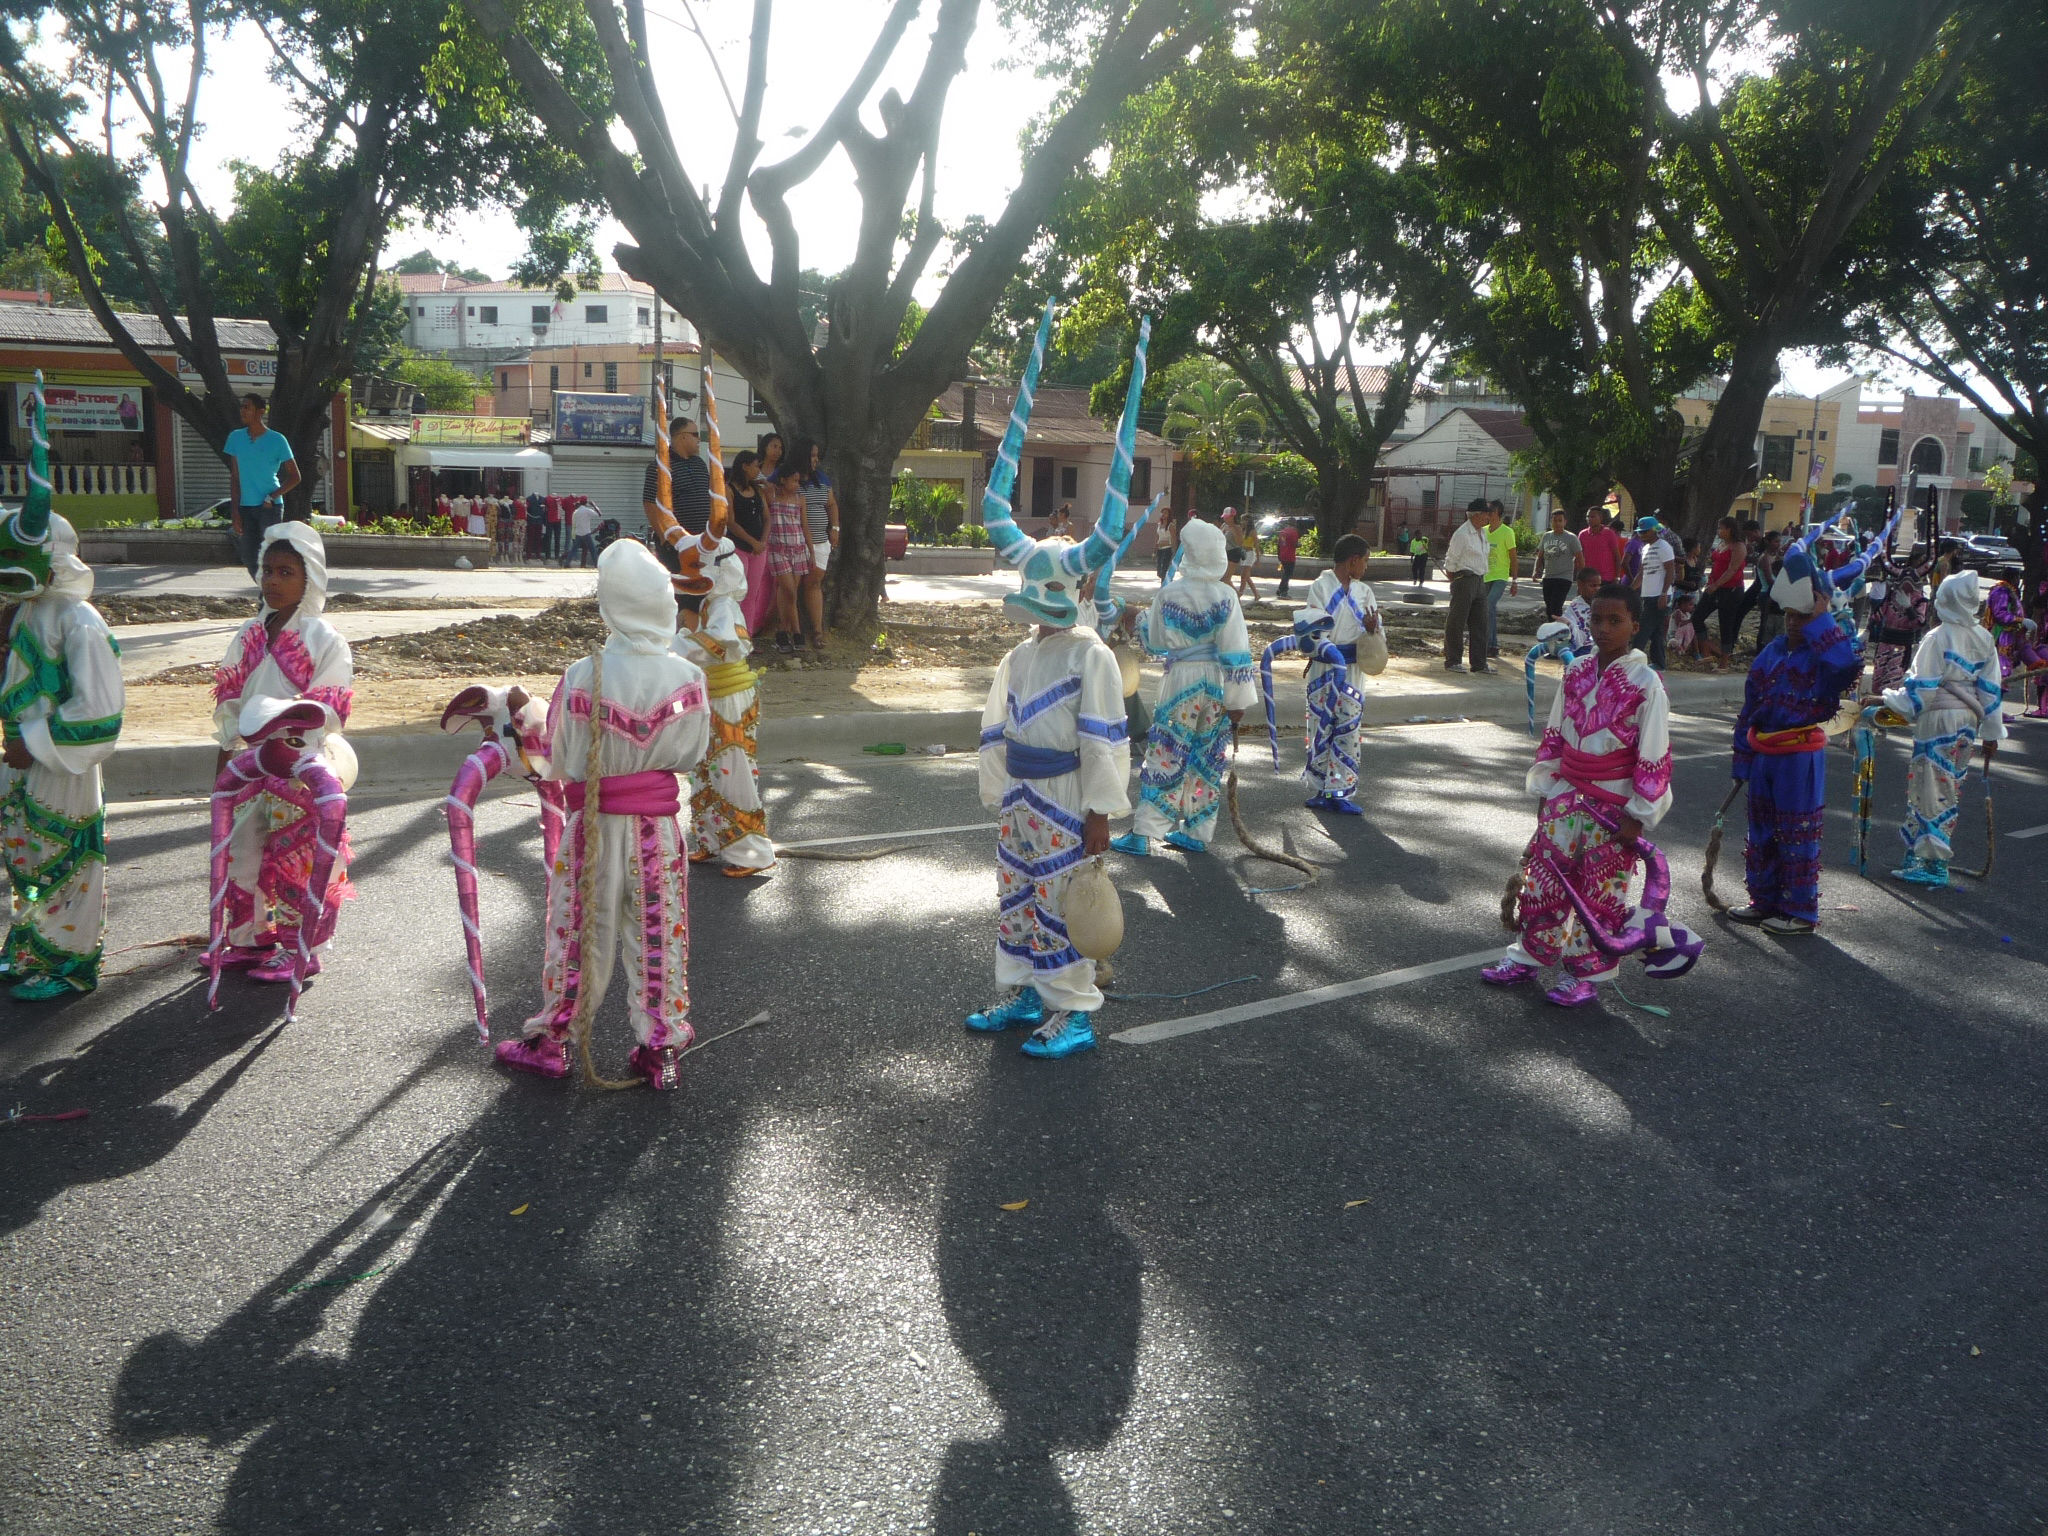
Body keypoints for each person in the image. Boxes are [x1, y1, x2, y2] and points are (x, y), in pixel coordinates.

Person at [496, 541, 712, 1090]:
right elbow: (690, 755)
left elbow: (563, 760)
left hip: (592, 825)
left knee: (579, 932)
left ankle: (554, 1042)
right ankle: (659, 1050)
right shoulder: (688, 676)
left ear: (609, 605)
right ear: (664, 602)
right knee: (657, 931)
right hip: (656, 832)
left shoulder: (582, 674)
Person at [1481, 582, 1673, 1007]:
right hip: (1566, 794)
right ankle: (1528, 956)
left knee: (1600, 891)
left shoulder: (1647, 684)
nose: (1603, 629)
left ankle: (1586, 974)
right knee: (1545, 881)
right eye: (1597, 620)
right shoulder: (1578, 671)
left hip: (1613, 804)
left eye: (1615, 621)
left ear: (1634, 626)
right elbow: (1556, 733)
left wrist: (1638, 813)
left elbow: (1654, 750)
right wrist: (1547, 787)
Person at [0, 393, 124, 1000]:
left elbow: (100, 713)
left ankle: (66, 962)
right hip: (22, 760)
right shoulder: (25, 615)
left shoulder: (80, 621)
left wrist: (32, 744)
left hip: (60, 764)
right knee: (26, 856)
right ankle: (28, 947)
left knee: (67, 860)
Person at [210, 522, 356, 982]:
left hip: (298, 767)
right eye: (267, 571)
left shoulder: (323, 638)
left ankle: (301, 948)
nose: (272, 581)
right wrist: (226, 748)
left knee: (297, 857)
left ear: (309, 577)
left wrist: (290, 744)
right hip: (249, 765)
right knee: (243, 850)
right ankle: (251, 938)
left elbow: (329, 705)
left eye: (286, 572)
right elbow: (231, 698)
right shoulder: (250, 633)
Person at [1727, 525, 1868, 937]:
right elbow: (1750, 707)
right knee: (1763, 832)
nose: (1793, 622)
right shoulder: (1771, 652)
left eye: (1802, 616)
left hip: (1799, 758)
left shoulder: (1826, 654)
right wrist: (1742, 757)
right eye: (1789, 615)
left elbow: (1845, 666)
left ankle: (1801, 911)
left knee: (1796, 832)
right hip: (1764, 756)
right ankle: (1764, 900)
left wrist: (1822, 620)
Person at [1110, 519, 1253, 857]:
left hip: (1180, 681)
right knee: (1206, 755)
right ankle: (1197, 832)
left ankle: (1145, 832)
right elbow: (1237, 651)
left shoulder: (1171, 592)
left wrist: (1133, 616)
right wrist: (1238, 701)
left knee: (1168, 752)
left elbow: (1156, 641)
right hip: (1216, 683)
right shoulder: (1227, 595)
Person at [1876, 568, 2004, 888]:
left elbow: (1921, 690)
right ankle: (1924, 856)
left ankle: (1931, 863)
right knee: (1950, 788)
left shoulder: (1938, 637)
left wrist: (1891, 699)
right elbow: (1990, 691)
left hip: (1939, 720)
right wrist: (1991, 733)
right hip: (1967, 724)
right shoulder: (1984, 637)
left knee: (1929, 786)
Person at [673, 536, 775, 877]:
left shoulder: (724, 606)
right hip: (712, 694)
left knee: (732, 769)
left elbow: (722, 645)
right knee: (705, 769)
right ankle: (712, 839)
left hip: (732, 696)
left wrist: (679, 644)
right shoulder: (708, 604)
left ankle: (753, 852)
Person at [1288, 533, 1381, 814]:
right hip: (1324, 669)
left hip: (1352, 672)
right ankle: (1320, 788)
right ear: (1352, 561)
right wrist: (1328, 650)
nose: (1365, 567)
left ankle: (1339, 792)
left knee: (1348, 728)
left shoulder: (1365, 592)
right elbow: (1311, 629)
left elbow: (1376, 630)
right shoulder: (1321, 587)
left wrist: (1371, 628)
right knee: (1321, 726)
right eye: (1364, 561)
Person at [223, 393, 301, 581]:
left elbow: (295, 477)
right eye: (242, 406)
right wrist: (235, 512)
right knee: (249, 556)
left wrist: (272, 497)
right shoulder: (235, 438)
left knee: (269, 555)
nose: (242, 410)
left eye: (247, 407)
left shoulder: (277, 439)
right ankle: (265, 593)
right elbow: (235, 477)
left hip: (269, 508)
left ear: (261, 411)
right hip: (246, 508)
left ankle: (271, 596)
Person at [1866, 543, 1933, 694]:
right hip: (1885, 641)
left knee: (1892, 681)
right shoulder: (1892, 596)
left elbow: (1920, 623)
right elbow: (1878, 614)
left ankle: (1886, 710)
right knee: (1877, 678)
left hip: (1902, 645)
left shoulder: (1920, 600)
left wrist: (1909, 608)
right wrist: (1867, 632)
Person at [793, 438, 839, 651]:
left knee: (814, 583)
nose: (815, 460)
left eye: (816, 455)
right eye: (812, 455)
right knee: (790, 587)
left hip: (820, 540)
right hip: (794, 540)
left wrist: (835, 528)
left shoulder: (821, 478)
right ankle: (791, 631)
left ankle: (817, 631)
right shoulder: (789, 477)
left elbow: (831, 505)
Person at [761, 459, 809, 654]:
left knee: (787, 592)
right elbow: (762, 483)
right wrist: (772, 483)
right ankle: (797, 632)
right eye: (793, 480)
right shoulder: (771, 495)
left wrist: (811, 550)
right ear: (783, 480)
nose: (796, 485)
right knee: (790, 591)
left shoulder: (799, 499)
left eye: (798, 481)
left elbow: (804, 525)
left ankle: (782, 632)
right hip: (778, 549)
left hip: (798, 548)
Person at [724, 450, 774, 635]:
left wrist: (762, 542)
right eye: (755, 466)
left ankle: (748, 636)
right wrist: (752, 542)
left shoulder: (758, 490)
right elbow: (731, 522)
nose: (758, 470)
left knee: (752, 595)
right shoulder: (729, 489)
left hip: (758, 549)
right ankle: (732, 634)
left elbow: (767, 518)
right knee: (736, 593)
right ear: (744, 466)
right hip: (738, 547)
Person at [1443, 498, 1492, 673]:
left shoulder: (1482, 533)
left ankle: (1479, 663)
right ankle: (1453, 660)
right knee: (1457, 621)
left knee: (1481, 623)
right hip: (1464, 579)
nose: (1488, 517)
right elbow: (1451, 560)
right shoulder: (1462, 534)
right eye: (1486, 513)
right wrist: (1456, 580)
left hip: (1479, 579)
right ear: (1477, 515)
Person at [1692, 516, 1747, 669]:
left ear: (1729, 529)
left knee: (1726, 624)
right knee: (1697, 617)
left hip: (1731, 589)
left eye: (1721, 528)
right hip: (1714, 587)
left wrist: (1717, 584)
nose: (1718, 531)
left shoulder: (1739, 546)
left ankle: (1724, 662)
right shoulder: (1722, 544)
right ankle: (1706, 652)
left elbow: (1733, 569)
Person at [1633, 515, 1677, 669]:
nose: (1642, 535)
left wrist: (1664, 593)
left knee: (1642, 629)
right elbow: (1641, 573)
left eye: (1645, 532)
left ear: (1654, 530)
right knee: (1656, 631)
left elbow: (1670, 571)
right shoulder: (1645, 548)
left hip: (1659, 596)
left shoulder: (1664, 546)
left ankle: (1633, 661)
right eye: (1640, 532)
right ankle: (1659, 662)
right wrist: (1630, 591)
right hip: (1647, 595)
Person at [1483, 502, 1518, 658]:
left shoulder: (1507, 532)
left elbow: (1513, 557)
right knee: (1489, 609)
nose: (1488, 513)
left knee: (1489, 604)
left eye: (1491, 510)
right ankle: (1493, 644)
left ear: (1499, 512)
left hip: (1500, 576)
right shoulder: (1483, 531)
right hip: (1485, 576)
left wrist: (1514, 581)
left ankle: (1488, 643)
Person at [1535, 509, 1582, 618]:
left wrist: (1581, 577)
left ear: (1565, 522)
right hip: (1548, 576)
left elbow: (1580, 558)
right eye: (1554, 520)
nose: (1557, 523)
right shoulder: (1546, 536)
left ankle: (1559, 631)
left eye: (1560, 520)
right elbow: (1540, 555)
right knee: (1549, 607)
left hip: (1564, 577)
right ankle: (1553, 630)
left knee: (1556, 606)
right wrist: (1536, 571)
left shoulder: (1571, 538)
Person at [1578, 504, 1624, 584]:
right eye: (1588, 517)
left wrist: (1617, 577)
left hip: (1607, 578)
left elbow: (1617, 556)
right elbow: (1579, 557)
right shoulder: (1582, 534)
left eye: (1593, 517)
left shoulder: (1609, 533)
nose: (1589, 519)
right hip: (1588, 578)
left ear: (1600, 518)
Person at [1561, 566, 1601, 652]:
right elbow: (1568, 622)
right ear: (1580, 584)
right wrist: (1567, 624)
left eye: (1599, 585)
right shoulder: (1574, 607)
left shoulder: (1603, 605)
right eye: (1593, 586)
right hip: (1581, 650)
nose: (1597, 589)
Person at [567, 497, 600, 567]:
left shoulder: (576, 512)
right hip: (586, 533)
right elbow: (599, 514)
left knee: (573, 550)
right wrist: (594, 505)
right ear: (586, 503)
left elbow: (574, 523)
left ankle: (566, 563)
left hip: (578, 534)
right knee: (593, 550)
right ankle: (596, 565)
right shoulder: (587, 510)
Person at [1275, 518, 1301, 598]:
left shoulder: (1283, 532)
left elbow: (1279, 544)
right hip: (1290, 556)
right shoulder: (1294, 532)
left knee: (1285, 573)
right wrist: (1299, 545)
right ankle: (1283, 591)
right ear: (1295, 523)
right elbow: (1295, 544)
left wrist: (1279, 554)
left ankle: (1280, 589)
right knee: (1288, 574)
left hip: (1282, 555)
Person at [1153, 509, 1179, 580]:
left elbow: (1174, 538)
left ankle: (1164, 584)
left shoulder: (1171, 526)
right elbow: (1157, 537)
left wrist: (1174, 550)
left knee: (1164, 568)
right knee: (1159, 569)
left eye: (1165, 513)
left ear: (1169, 515)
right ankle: (1165, 579)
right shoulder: (1159, 525)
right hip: (1159, 549)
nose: (1163, 514)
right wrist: (1154, 549)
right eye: (1162, 513)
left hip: (1167, 549)